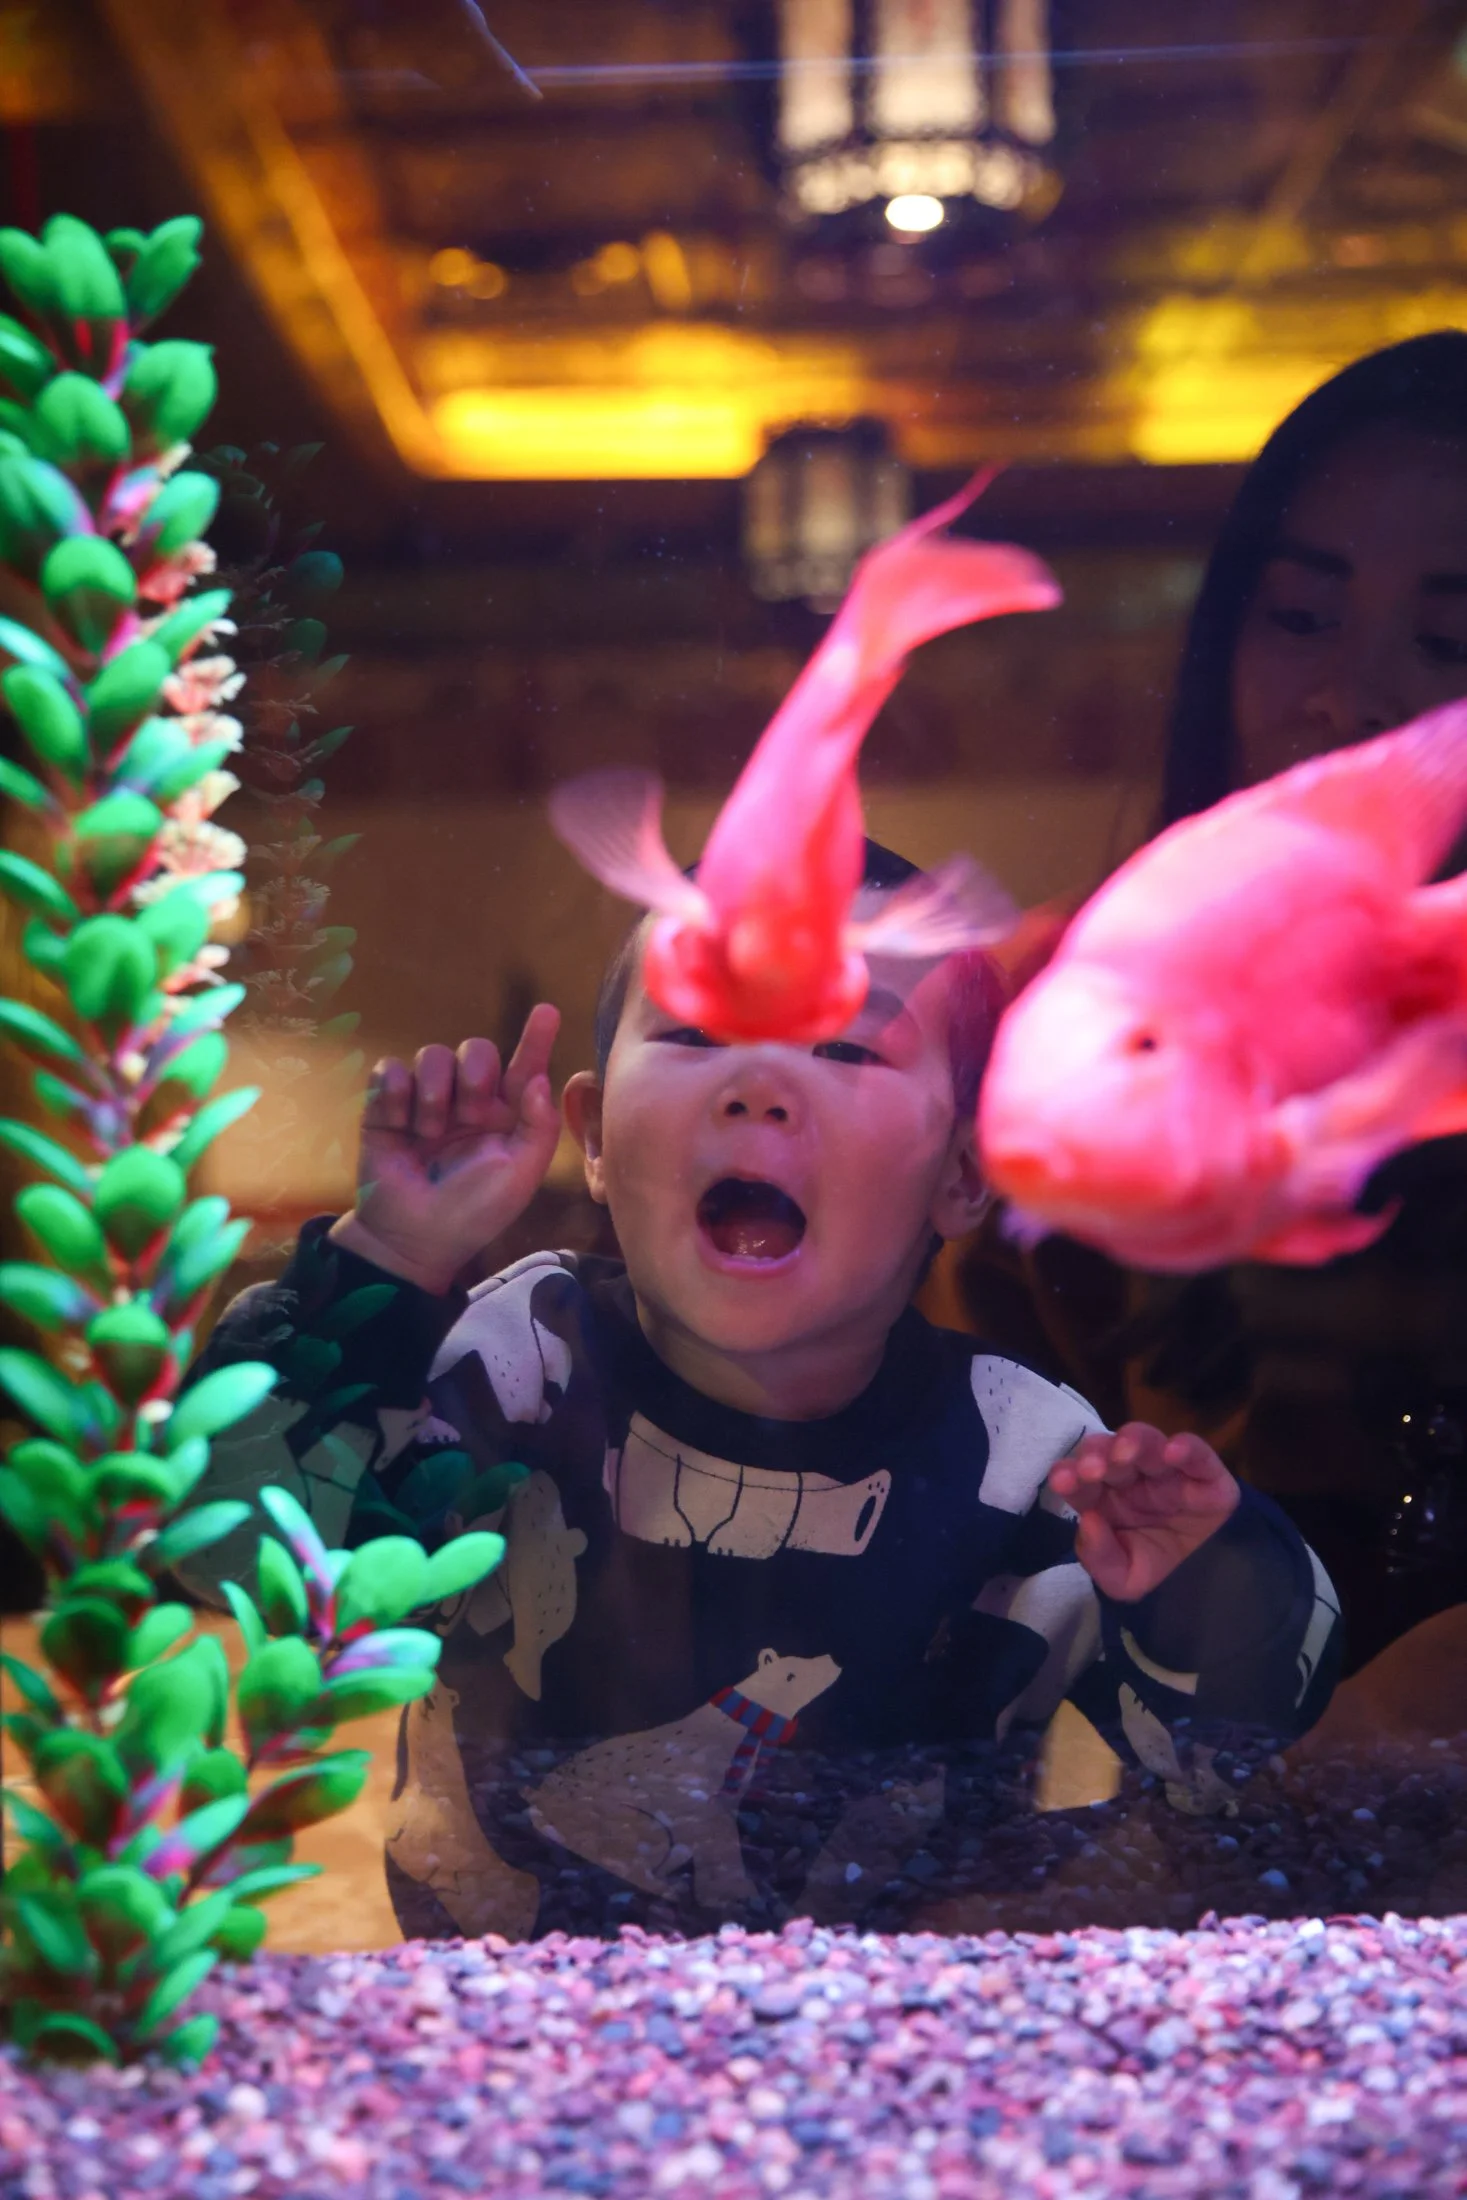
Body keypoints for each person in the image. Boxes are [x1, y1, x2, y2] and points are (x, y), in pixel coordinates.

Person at [182, 839, 1340, 1941]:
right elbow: (234, 1550)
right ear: (590, 1135)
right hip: (518, 2020)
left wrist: (1203, 1579)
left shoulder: (1022, 1447)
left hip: (910, 2035)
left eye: (847, 1051)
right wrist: (384, 1263)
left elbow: (1222, 1762)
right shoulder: (525, 1356)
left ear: (964, 1175)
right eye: (693, 1035)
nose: (759, 1088)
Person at [960, 331, 1467, 1678]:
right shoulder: (1045, 1006)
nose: (1346, 695)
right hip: (1218, 1838)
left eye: (1447, 638)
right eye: (1296, 616)